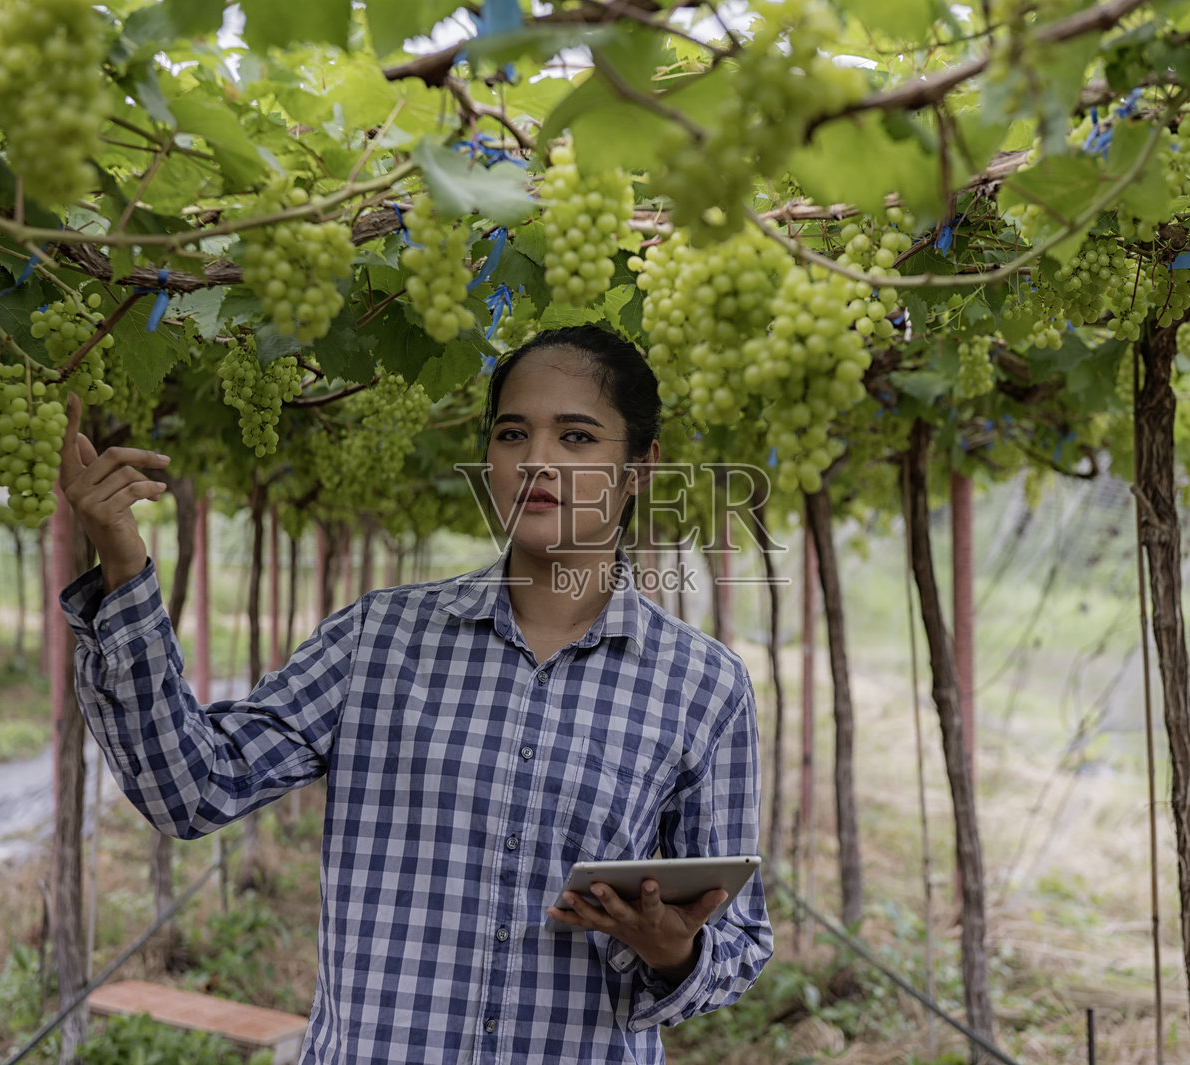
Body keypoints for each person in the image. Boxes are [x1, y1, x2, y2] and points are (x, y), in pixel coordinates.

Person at [56, 324, 773, 1064]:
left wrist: (673, 953)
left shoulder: (702, 685)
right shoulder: (378, 638)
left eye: (578, 437)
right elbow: (190, 788)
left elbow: (739, 945)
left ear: (640, 468)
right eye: (512, 432)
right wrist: (122, 560)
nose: (538, 462)